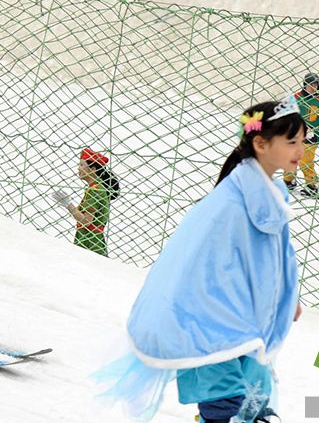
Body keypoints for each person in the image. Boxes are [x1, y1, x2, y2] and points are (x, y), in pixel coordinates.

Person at [95, 98, 303, 423]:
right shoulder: (232, 204)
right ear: (261, 143)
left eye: (302, 140)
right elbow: (195, 263)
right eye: (291, 141)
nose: (300, 149)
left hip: (241, 322)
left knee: (253, 399)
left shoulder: (269, 196)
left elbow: (276, 257)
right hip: (210, 321)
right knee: (228, 403)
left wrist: (289, 296)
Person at [52, 148, 118, 256]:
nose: (79, 168)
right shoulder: (94, 188)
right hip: (89, 238)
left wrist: (68, 204)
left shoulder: (95, 190)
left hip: (89, 240)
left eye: (82, 165)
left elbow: (87, 221)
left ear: (92, 169)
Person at [282, 72, 319, 198]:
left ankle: (311, 185)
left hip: (311, 137)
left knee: (306, 161)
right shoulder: (296, 98)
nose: (312, 87)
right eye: (310, 84)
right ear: (305, 85)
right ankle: (289, 181)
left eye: (315, 84)